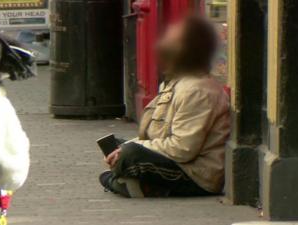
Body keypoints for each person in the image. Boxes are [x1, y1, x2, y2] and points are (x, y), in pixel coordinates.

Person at [99, 15, 231, 198]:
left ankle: (126, 182)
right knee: (121, 146)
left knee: (129, 155)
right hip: (179, 160)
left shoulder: (196, 90)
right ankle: (132, 183)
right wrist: (127, 145)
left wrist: (131, 148)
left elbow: (182, 149)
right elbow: (157, 134)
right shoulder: (177, 82)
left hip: (197, 175)